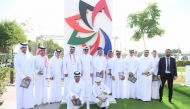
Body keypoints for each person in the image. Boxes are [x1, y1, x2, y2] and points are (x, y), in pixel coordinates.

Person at [14, 42, 34, 109]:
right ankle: (20, 107)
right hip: (20, 78)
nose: (24, 48)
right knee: (20, 93)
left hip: (28, 77)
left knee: (28, 92)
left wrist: (29, 75)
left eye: (25, 47)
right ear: (20, 48)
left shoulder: (30, 56)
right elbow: (17, 67)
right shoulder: (17, 56)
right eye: (23, 47)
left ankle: (28, 106)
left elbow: (32, 66)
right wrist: (23, 76)